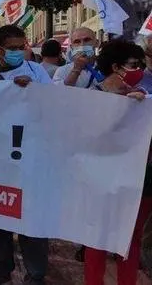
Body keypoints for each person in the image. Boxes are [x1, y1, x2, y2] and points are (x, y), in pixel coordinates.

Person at [0, 25, 50, 285]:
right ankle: (1, 268)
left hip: (30, 155)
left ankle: (36, 273)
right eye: (13, 48)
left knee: (31, 214)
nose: (20, 52)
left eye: (22, 47)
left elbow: (52, 105)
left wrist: (33, 92)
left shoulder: (36, 71)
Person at [84, 39, 151, 285]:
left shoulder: (142, 99)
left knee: (129, 240)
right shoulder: (89, 97)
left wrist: (141, 108)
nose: (140, 70)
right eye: (134, 64)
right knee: (96, 238)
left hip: (136, 181)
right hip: (98, 180)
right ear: (116, 67)